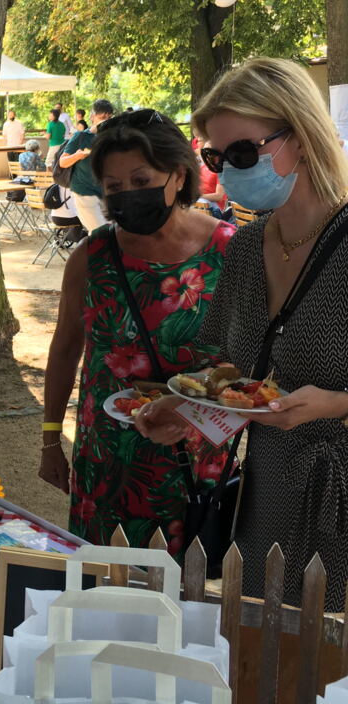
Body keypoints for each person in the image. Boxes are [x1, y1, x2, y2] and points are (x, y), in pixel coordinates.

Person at [135, 58, 348, 610]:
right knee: (263, 648)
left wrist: (335, 404)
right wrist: (183, 409)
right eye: (215, 156)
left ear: (299, 138)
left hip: (340, 501)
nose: (228, 171)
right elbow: (234, 376)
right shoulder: (250, 249)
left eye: (243, 153)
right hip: (268, 492)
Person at [39, 109, 235, 557]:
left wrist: (190, 407)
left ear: (178, 175)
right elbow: (65, 347)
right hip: (109, 457)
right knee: (103, 586)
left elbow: (252, 360)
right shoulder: (92, 256)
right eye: (114, 186)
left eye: (142, 180)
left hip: (196, 457)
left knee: (191, 596)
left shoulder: (230, 250)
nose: (128, 195)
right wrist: (51, 438)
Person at [57, 98, 114, 231]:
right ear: (92, 116)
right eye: (102, 116)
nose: (106, 120)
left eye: (109, 117)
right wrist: (78, 155)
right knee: (100, 232)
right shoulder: (81, 136)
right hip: (85, 192)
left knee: (109, 235)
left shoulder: (111, 139)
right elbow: (63, 162)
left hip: (107, 194)